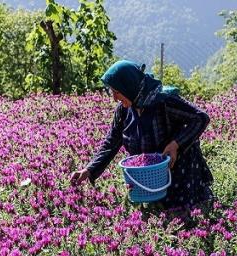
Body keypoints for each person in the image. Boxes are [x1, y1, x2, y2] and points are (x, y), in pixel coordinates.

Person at [70, 60, 215, 210]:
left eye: (117, 92)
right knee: (159, 219)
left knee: (186, 217)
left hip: (182, 173)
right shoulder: (124, 110)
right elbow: (111, 142)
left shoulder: (164, 101)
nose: (114, 98)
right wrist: (88, 169)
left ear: (129, 86)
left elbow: (200, 118)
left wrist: (175, 144)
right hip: (152, 178)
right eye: (111, 91)